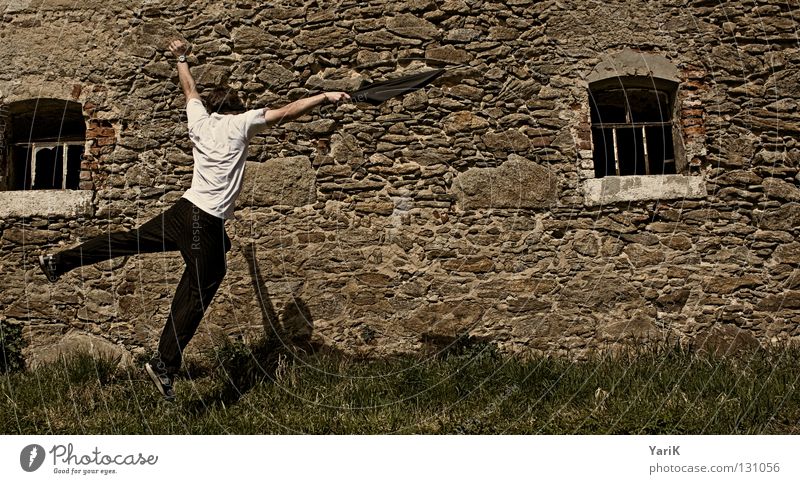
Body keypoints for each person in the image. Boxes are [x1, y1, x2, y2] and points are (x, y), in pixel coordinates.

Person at [38, 39, 350, 401]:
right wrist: (325, 97)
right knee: (203, 283)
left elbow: (188, 88)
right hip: (204, 221)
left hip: (184, 211)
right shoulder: (241, 124)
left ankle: (58, 261)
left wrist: (181, 57)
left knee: (131, 240)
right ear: (236, 108)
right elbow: (287, 112)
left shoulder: (199, 121)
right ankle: (164, 364)